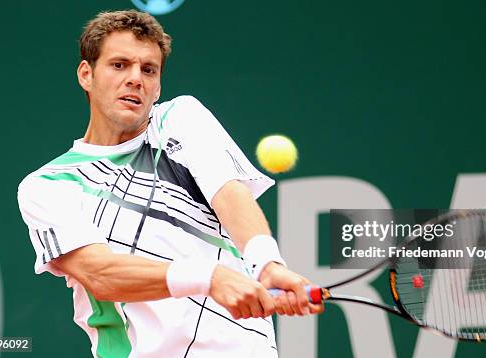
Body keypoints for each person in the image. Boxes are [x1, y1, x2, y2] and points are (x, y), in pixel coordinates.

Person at [17, 10, 322, 357]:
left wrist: (267, 263)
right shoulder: (49, 186)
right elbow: (101, 273)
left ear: (158, 84)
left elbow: (230, 195)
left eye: (149, 70)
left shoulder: (181, 118)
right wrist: (210, 277)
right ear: (86, 75)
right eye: (119, 65)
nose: (136, 79)